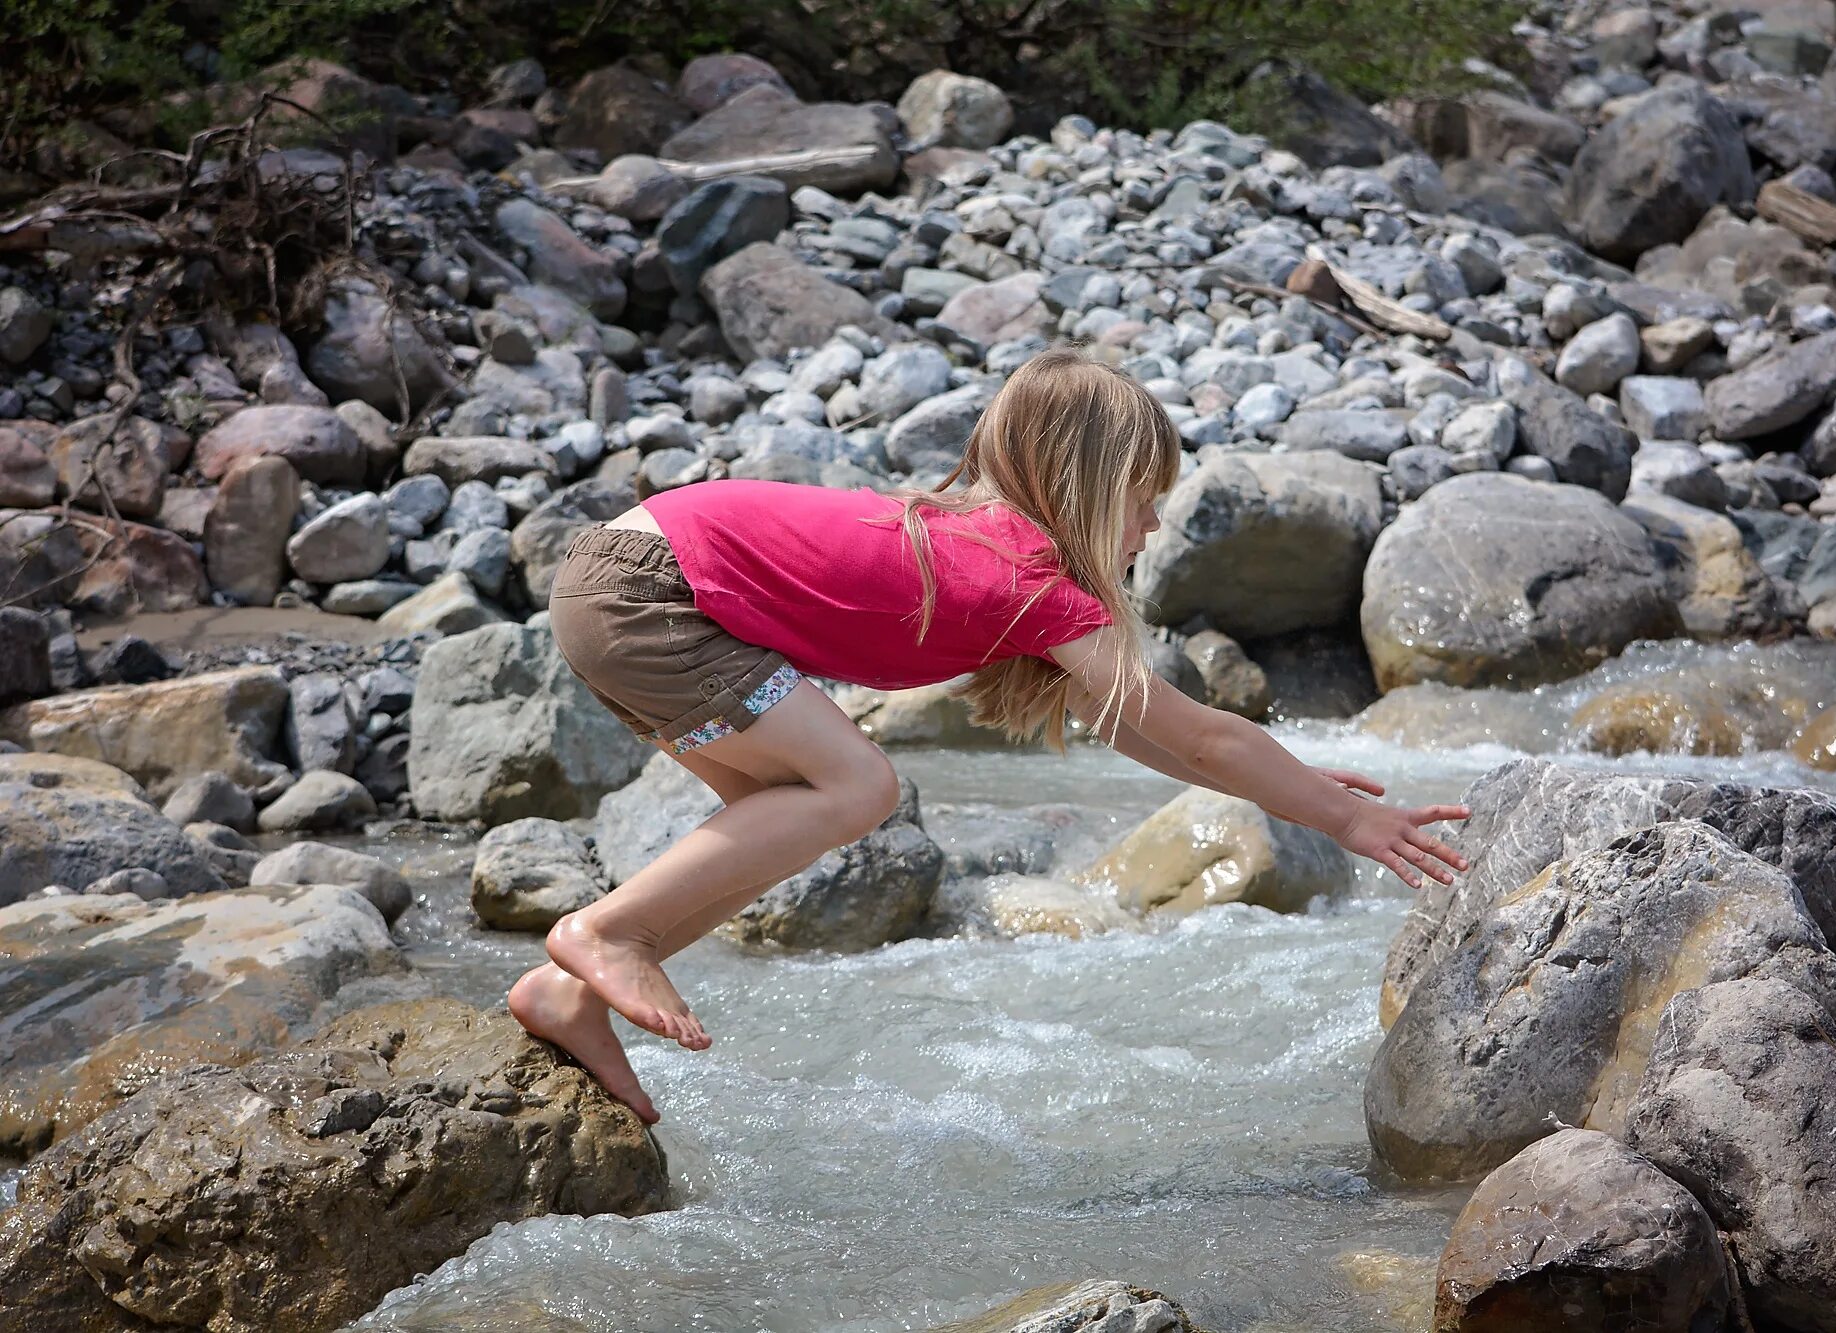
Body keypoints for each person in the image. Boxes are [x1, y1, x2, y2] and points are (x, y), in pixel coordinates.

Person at [507, 348, 1470, 1123]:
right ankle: (605, 932)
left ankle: (569, 993)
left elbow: (1147, 733)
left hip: (624, 580)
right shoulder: (1025, 572)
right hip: (652, 589)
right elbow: (1205, 737)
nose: (1153, 522)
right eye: (1142, 497)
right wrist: (1346, 821)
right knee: (859, 788)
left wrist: (1295, 784)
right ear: (1086, 487)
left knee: (781, 812)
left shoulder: (993, 557)